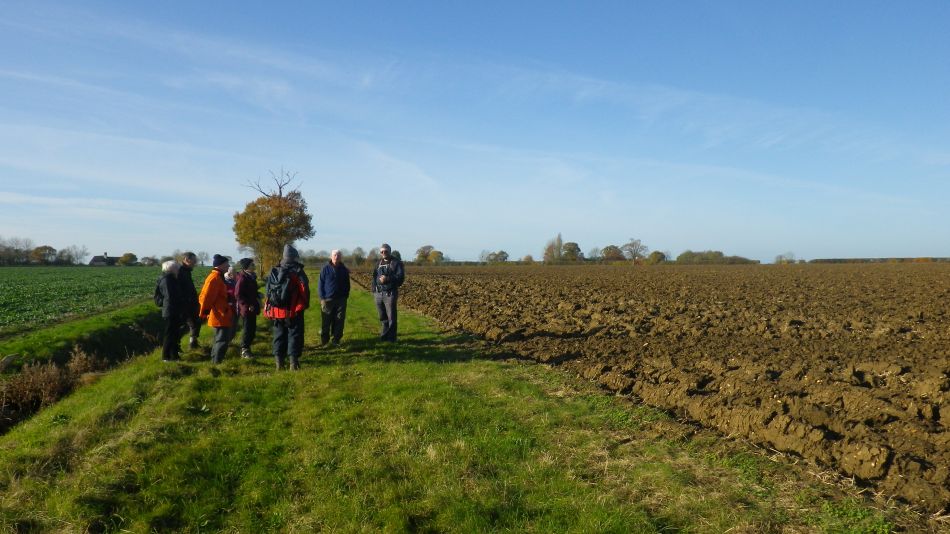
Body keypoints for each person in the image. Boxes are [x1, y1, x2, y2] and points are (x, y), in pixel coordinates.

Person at [264, 245, 310, 370]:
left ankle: (279, 363)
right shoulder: (297, 271)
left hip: (277, 311)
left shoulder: (274, 270)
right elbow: (304, 289)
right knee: (294, 335)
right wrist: (304, 304)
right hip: (293, 310)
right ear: (294, 257)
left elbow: (267, 291)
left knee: (279, 336)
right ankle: (293, 364)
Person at [198, 254, 235, 364]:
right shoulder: (214, 278)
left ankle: (216, 360)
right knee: (221, 339)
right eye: (226, 264)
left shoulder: (218, 277)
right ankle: (216, 362)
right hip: (219, 314)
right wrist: (204, 312)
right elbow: (206, 297)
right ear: (221, 265)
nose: (228, 266)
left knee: (221, 339)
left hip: (222, 312)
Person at [371, 243, 405, 342]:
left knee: (391, 318)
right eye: (381, 251)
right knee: (382, 317)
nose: (383, 253)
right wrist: (374, 289)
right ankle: (384, 336)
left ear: (390, 251)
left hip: (390, 294)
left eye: (385, 251)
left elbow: (400, 278)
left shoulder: (396, 263)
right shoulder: (378, 263)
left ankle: (392, 339)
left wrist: (388, 279)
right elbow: (374, 276)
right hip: (378, 294)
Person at [318, 249, 350, 346]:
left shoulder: (344, 269)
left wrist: (345, 296)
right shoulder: (325, 269)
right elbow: (320, 284)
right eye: (335, 255)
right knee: (326, 321)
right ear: (331, 257)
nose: (336, 257)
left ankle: (336, 340)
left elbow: (347, 284)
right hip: (327, 299)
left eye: (338, 255)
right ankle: (325, 341)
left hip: (341, 299)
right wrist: (322, 298)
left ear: (341, 258)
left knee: (339, 320)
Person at [155, 260, 184, 361]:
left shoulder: (171, 278)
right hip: (170, 310)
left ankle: (174, 356)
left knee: (174, 334)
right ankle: (166, 356)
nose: (178, 270)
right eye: (176, 268)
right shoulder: (167, 280)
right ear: (170, 269)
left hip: (173, 310)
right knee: (170, 334)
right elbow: (170, 296)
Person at [235, 257, 260, 358]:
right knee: (247, 329)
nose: (254, 266)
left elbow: (250, 292)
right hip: (247, 309)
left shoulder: (251, 277)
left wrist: (258, 295)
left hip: (252, 307)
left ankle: (247, 348)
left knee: (252, 329)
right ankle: (244, 350)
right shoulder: (242, 278)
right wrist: (248, 305)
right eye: (252, 265)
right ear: (246, 267)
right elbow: (238, 294)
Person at [179, 252, 201, 349]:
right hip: (185, 303)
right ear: (187, 260)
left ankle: (193, 342)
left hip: (191, 302)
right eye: (194, 260)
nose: (195, 263)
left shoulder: (187, 271)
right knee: (188, 324)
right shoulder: (180, 271)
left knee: (196, 322)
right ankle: (178, 346)